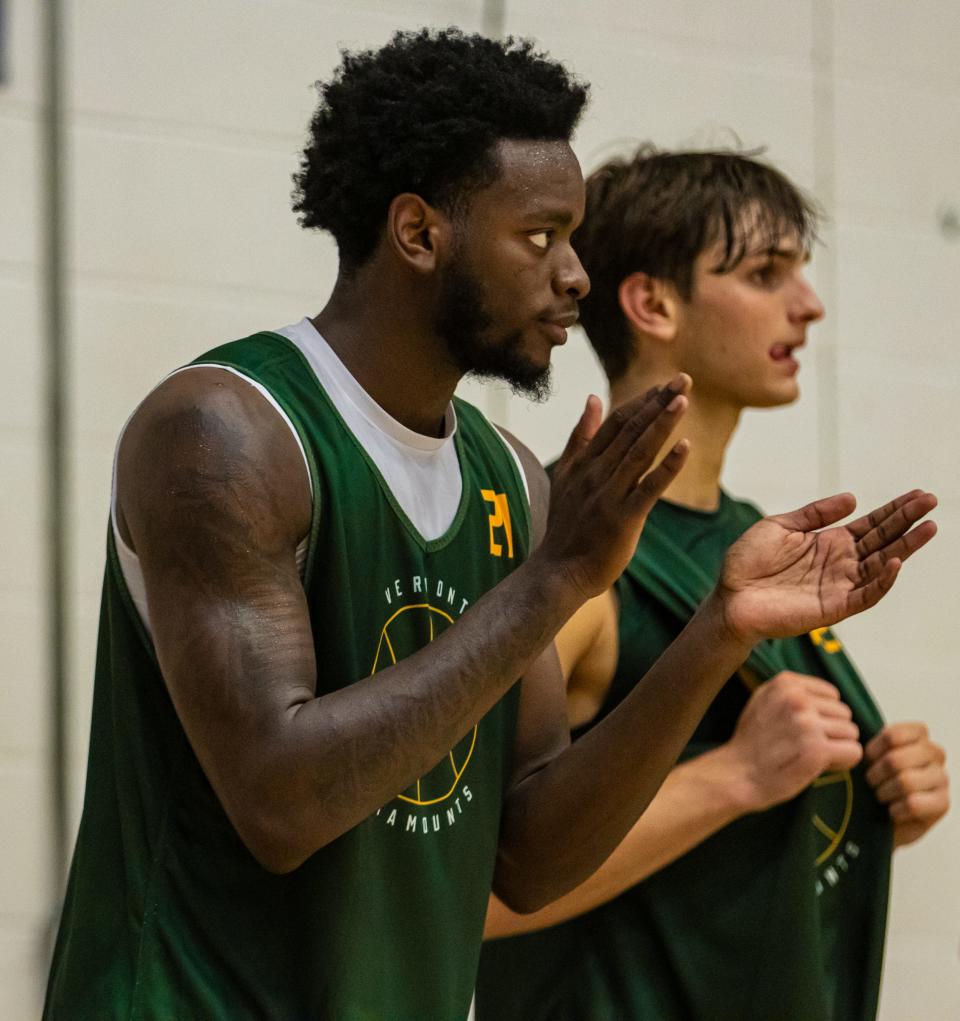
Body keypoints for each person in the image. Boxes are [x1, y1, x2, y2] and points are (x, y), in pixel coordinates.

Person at [44, 30, 937, 1019]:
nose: (576, 276)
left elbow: (531, 859)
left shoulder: (505, 475)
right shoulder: (227, 429)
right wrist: (551, 584)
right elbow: (280, 802)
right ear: (421, 234)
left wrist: (718, 632)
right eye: (541, 236)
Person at [476, 148, 949, 1021]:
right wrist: (732, 777)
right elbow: (463, 894)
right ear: (653, 302)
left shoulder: (750, 538)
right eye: (767, 273)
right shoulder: (569, 550)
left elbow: (769, 802)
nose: (807, 306)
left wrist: (875, 802)